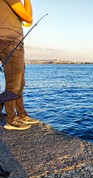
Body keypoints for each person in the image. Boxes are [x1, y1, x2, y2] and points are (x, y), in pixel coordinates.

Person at [0, 0, 39, 130]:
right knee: (14, 85)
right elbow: (28, 17)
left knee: (19, 83)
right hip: (10, 42)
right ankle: (11, 120)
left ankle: (21, 114)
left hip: (9, 41)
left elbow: (28, 22)